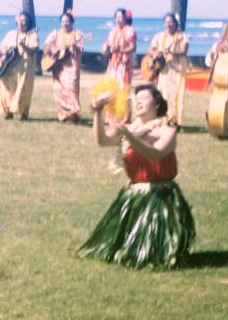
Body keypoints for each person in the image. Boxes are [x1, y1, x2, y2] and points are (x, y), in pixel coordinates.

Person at [79, 84, 195, 269]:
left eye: (144, 97)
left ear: (156, 103)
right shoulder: (130, 129)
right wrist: (98, 112)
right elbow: (102, 141)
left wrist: (129, 137)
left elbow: (155, 153)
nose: (139, 101)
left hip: (161, 197)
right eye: (136, 98)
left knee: (155, 254)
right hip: (135, 194)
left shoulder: (168, 131)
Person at [0, 11, 39, 120]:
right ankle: (7, 112)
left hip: (25, 68)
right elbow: (2, 46)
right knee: (7, 88)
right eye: (20, 20)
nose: (22, 23)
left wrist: (24, 46)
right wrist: (3, 54)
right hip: (10, 66)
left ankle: (24, 113)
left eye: (24, 20)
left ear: (28, 22)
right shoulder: (11, 33)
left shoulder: (32, 35)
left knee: (23, 89)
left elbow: (34, 51)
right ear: (16, 21)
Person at [43, 10, 84, 123]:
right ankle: (63, 115)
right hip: (57, 65)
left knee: (71, 89)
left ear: (72, 22)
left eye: (67, 21)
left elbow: (80, 50)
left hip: (71, 66)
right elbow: (46, 46)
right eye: (63, 21)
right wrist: (53, 50)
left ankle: (74, 114)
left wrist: (74, 47)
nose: (65, 23)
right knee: (58, 90)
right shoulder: (55, 33)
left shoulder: (77, 34)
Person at [148, 13, 189, 126]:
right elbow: (151, 49)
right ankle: (164, 119)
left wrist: (172, 53)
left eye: (171, 22)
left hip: (177, 68)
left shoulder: (182, 36)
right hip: (164, 69)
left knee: (176, 94)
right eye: (166, 22)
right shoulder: (160, 36)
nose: (168, 24)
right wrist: (156, 54)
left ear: (176, 23)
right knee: (163, 92)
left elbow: (184, 50)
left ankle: (176, 120)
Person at [101, 8, 137, 88]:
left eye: (120, 17)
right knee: (111, 87)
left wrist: (121, 50)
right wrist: (105, 47)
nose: (118, 20)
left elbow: (133, 48)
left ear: (125, 18)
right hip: (113, 63)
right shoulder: (113, 30)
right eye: (116, 17)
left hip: (124, 64)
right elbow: (108, 43)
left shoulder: (130, 30)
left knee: (122, 88)